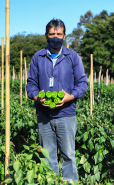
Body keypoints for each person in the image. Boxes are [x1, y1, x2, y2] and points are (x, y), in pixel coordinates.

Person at [26, 19, 88, 182]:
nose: (55, 37)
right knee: (48, 156)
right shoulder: (38, 57)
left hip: (66, 114)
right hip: (44, 115)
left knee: (68, 155)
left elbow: (82, 82)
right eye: (52, 34)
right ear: (46, 35)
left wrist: (71, 96)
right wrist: (37, 97)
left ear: (64, 35)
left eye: (59, 34)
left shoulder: (72, 57)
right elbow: (31, 83)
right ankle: (51, 181)